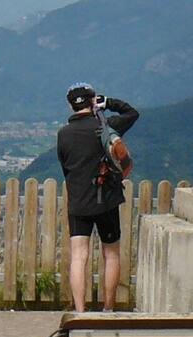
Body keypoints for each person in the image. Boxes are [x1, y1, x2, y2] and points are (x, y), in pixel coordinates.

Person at [55, 83, 137, 312]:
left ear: (71, 106)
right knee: (111, 254)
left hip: (78, 202)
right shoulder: (106, 127)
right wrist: (109, 102)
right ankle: (108, 308)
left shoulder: (64, 135)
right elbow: (132, 113)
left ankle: (80, 311)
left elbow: (66, 168)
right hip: (106, 200)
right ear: (93, 101)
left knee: (79, 257)